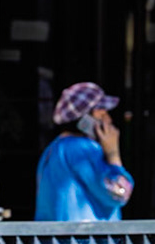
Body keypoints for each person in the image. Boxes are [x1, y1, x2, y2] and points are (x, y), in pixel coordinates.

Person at [36, 81, 134, 222]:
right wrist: (114, 154)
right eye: (102, 113)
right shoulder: (81, 148)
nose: (108, 119)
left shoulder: (54, 149)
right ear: (86, 120)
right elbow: (119, 193)